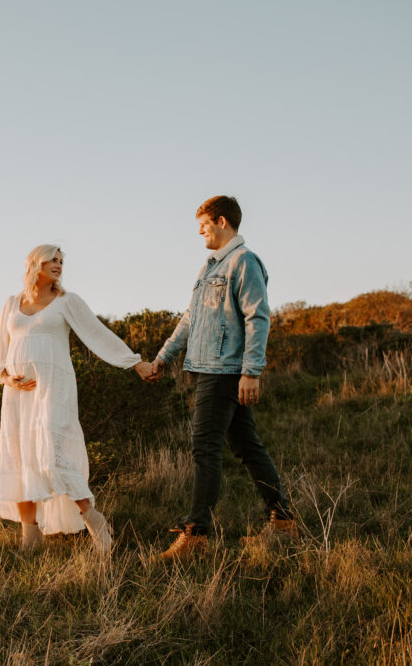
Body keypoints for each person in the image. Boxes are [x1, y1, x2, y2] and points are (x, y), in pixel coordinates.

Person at [148, 195, 298, 560]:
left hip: (224, 372)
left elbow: (257, 318)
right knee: (246, 447)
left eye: (203, 224)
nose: (199, 231)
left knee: (205, 448)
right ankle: (283, 521)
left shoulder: (244, 262)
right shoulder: (209, 268)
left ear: (222, 222)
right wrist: (164, 355)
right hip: (207, 369)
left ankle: (196, 533)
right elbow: (190, 318)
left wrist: (251, 372)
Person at [0, 244, 154, 553]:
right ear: (34, 263)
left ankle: (93, 518)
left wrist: (134, 362)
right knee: (21, 454)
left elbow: (98, 334)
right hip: (17, 394)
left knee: (53, 453)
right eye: (52, 259)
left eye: (62, 261)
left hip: (54, 387)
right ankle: (31, 533)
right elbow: (1, 352)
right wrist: (6, 376)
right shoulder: (11, 303)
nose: (59, 265)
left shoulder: (66, 301)